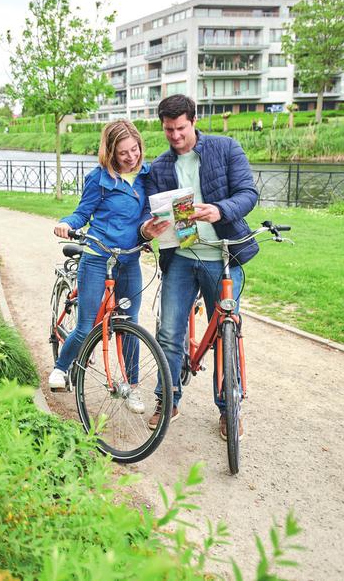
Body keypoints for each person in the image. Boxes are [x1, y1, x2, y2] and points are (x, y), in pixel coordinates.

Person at [140, 94, 259, 440]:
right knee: (169, 333)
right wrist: (147, 229)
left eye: (180, 128)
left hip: (222, 257)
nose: (175, 136)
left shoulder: (225, 148)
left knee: (227, 335)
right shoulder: (161, 167)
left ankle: (228, 409)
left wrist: (220, 210)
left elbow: (248, 193)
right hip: (181, 258)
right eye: (168, 130)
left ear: (193, 121)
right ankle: (168, 400)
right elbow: (148, 216)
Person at [47, 120, 152, 413]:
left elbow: (149, 212)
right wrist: (67, 223)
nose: (131, 157)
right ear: (110, 153)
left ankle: (132, 386)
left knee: (129, 324)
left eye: (135, 149)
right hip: (97, 258)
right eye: (123, 153)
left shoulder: (146, 175)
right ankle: (61, 368)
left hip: (129, 261)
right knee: (86, 326)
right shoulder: (99, 179)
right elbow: (83, 212)